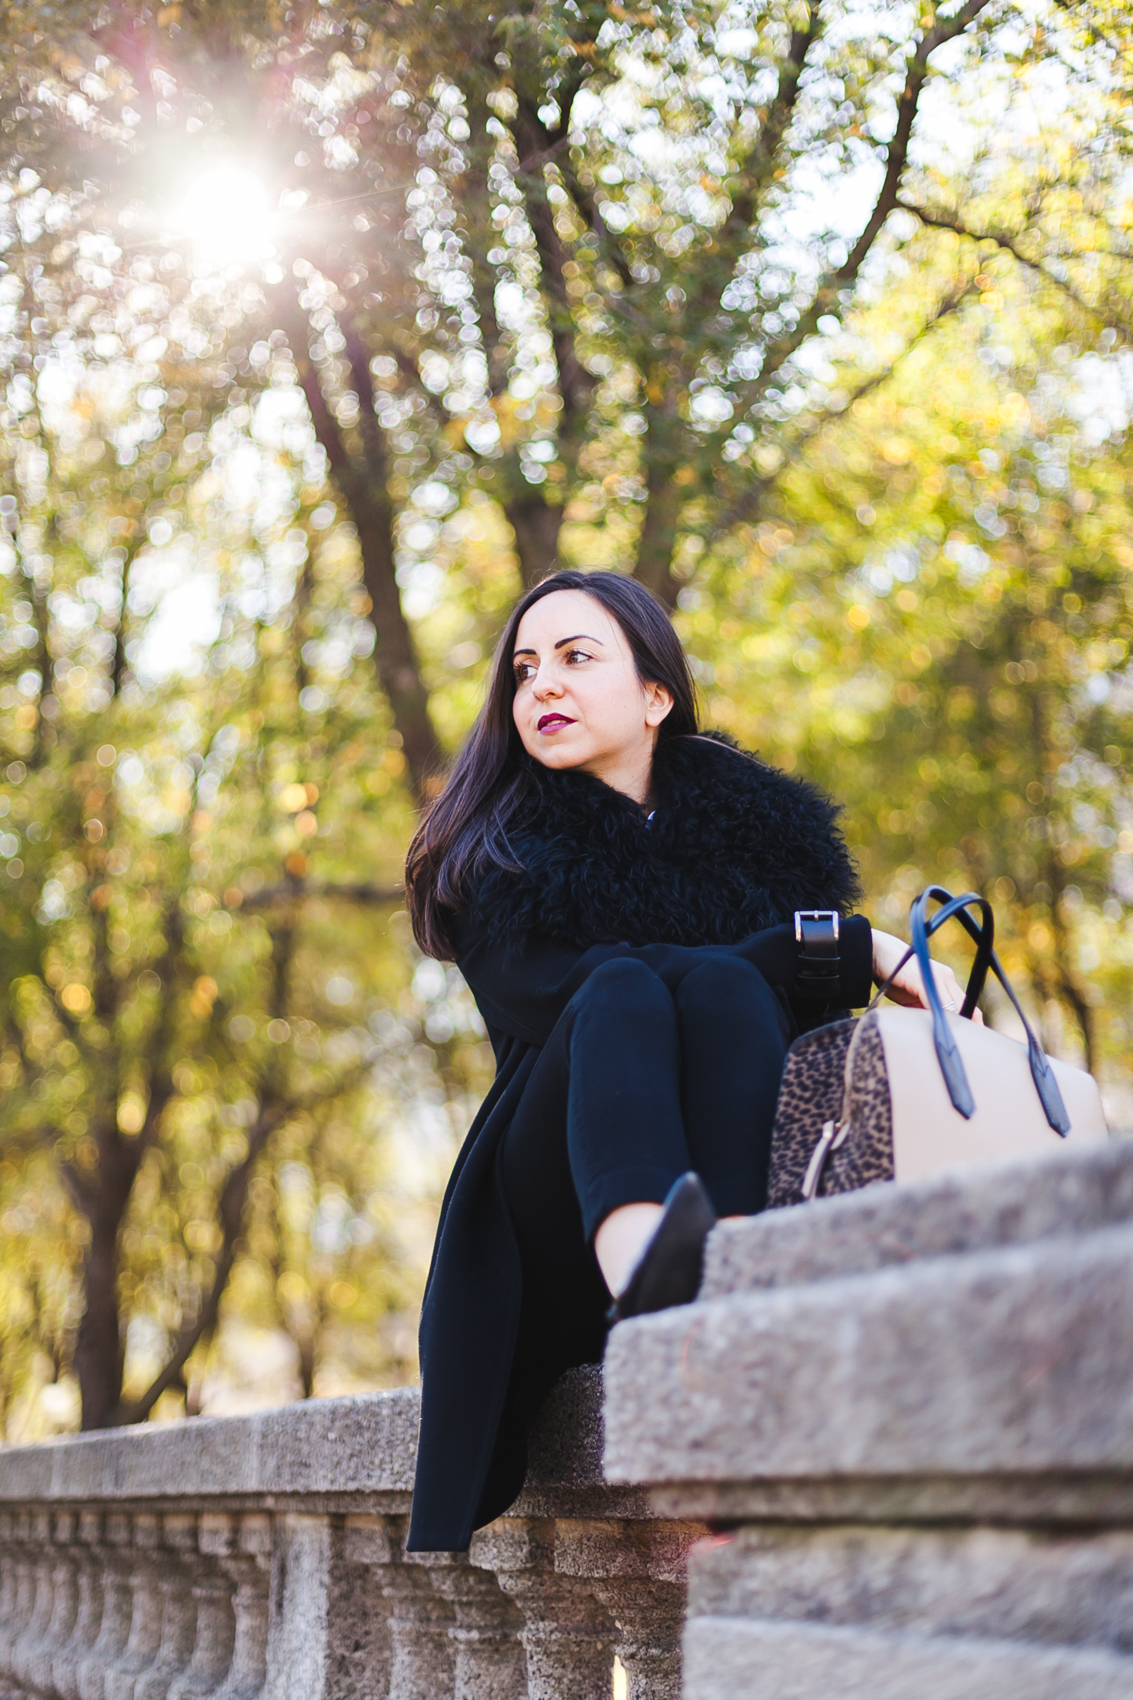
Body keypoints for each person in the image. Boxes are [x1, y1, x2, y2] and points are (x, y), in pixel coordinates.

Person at [403, 568, 971, 1553]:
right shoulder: (492, 854)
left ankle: (730, 1276)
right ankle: (656, 1280)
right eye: (524, 669)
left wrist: (816, 945)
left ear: (654, 694)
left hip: (735, 1188)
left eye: (576, 658)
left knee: (720, 990)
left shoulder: (763, 844)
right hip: (554, 1219)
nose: (541, 684)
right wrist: (851, 945)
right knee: (617, 987)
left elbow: (776, 1024)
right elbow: (558, 991)